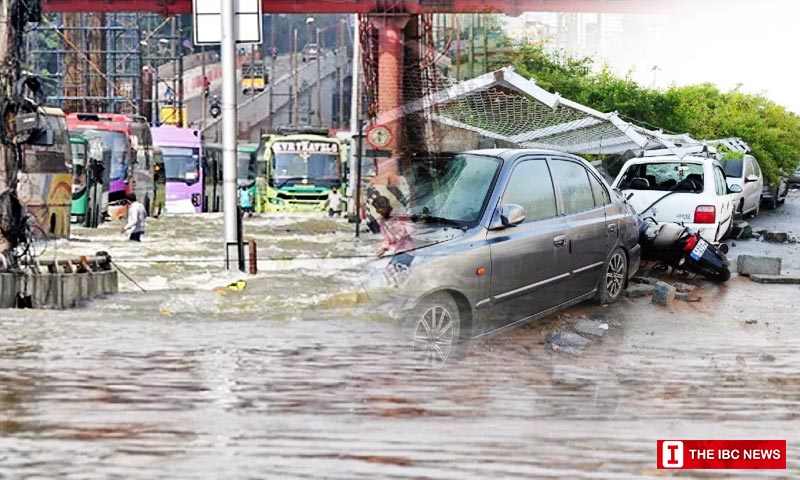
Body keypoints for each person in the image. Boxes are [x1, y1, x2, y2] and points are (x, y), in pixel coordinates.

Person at [373, 195, 415, 287]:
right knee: (389, 275)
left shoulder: (399, 215)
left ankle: (398, 291)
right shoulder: (383, 222)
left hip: (407, 251)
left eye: (379, 209)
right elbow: (387, 239)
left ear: (386, 206)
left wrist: (401, 233)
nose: (377, 211)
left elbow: (412, 228)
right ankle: (400, 292)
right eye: (376, 209)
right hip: (397, 252)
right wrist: (383, 249)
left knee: (390, 271)